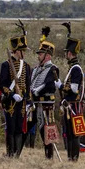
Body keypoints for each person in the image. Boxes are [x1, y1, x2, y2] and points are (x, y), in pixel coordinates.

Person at [0, 21, 31, 158]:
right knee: (11, 128)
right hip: (11, 101)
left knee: (19, 128)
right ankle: (10, 153)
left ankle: (17, 154)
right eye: (23, 50)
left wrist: (28, 100)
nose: (24, 53)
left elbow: (28, 84)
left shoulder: (26, 66)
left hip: (22, 101)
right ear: (17, 51)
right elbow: (2, 85)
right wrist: (12, 95)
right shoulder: (6, 65)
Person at [29, 26, 60, 160]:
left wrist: (36, 90)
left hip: (46, 103)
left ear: (47, 56)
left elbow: (48, 84)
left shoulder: (53, 69)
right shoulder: (36, 69)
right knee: (28, 127)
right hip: (35, 102)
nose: (38, 56)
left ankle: (49, 156)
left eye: (40, 54)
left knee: (46, 130)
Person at [58, 22, 85, 162]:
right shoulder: (73, 68)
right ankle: (70, 157)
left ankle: (73, 158)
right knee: (69, 133)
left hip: (73, 106)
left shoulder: (76, 69)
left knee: (74, 134)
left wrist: (61, 85)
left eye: (66, 53)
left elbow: (74, 89)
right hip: (70, 106)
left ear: (70, 53)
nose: (65, 55)